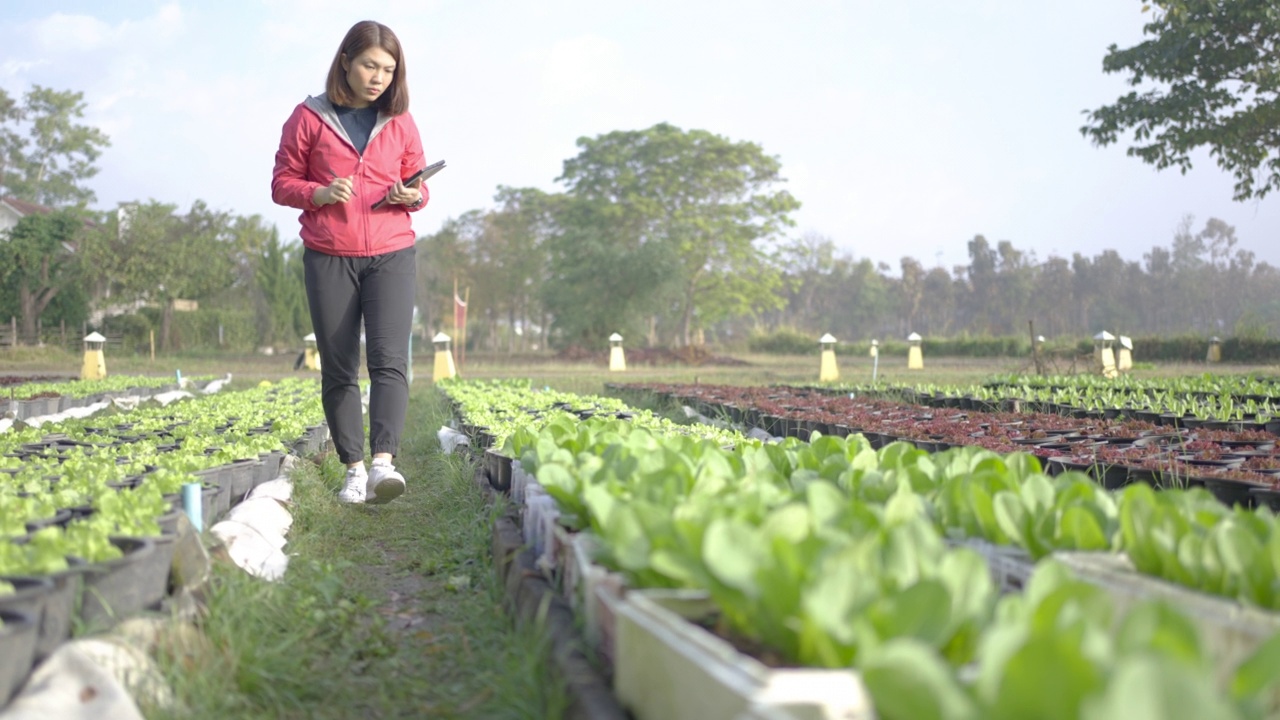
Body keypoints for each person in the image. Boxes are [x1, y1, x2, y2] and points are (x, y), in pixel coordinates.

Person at [271, 20, 428, 504]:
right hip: (329, 256)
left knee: (389, 362)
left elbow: (419, 187)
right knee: (339, 367)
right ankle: (353, 470)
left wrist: (412, 193)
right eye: (369, 65)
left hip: (391, 254)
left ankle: (383, 465)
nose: (378, 77)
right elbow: (281, 183)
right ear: (346, 62)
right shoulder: (308, 117)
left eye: (388, 68)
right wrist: (317, 192)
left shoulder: (400, 120)